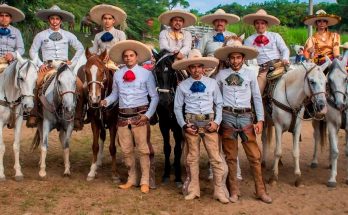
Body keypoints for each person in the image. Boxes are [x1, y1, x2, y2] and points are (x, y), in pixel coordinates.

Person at [214, 37, 272, 204]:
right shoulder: (221, 75)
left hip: (246, 116)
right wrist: (217, 120)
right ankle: (234, 190)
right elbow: (216, 99)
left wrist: (260, 119)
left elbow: (256, 97)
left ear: (243, 58)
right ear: (228, 59)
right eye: (232, 57)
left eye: (238, 57)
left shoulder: (250, 74)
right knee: (231, 156)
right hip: (227, 116)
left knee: (254, 155)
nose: (235, 60)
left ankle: (260, 190)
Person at [100, 40, 159, 194]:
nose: (128, 58)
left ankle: (145, 180)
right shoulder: (118, 74)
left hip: (140, 116)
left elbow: (154, 97)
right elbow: (115, 94)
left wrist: (148, 115)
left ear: (137, 57)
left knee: (143, 149)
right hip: (122, 117)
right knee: (126, 150)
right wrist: (106, 101)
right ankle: (131, 179)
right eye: (125, 56)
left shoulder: (147, 74)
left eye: (131, 55)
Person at [173, 49, 229, 204]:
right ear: (188, 69)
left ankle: (219, 190)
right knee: (192, 158)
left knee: (216, 158)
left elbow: (219, 103)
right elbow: (177, 108)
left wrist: (216, 122)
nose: (196, 70)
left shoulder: (212, 83)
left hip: (209, 124)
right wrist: (184, 125)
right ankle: (193, 189)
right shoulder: (183, 86)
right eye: (192, 67)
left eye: (199, 66)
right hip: (192, 126)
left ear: (204, 68)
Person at [199, 9, 242, 180]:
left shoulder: (233, 36)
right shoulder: (206, 37)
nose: (219, 23)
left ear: (226, 23)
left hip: (231, 69)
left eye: (222, 21)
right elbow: (198, 54)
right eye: (217, 21)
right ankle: (213, 166)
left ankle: (248, 114)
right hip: (211, 71)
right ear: (213, 23)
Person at [27, 5, 85, 130]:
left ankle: (78, 117)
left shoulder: (68, 35)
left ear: (61, 21)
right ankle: (33, 114)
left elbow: (80, 48)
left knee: (80, 86)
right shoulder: (41, 35)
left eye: (57, 19)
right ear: (48, 20)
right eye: (52, 18)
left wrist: (73, 63)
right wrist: (40, 64)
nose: (54, 21)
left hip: (64, 67)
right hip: (47, 66)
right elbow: (32, 51)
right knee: (34, 83)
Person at [243, 9, 290, 95]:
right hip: (264, 69)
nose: (260, 25)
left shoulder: (275, 36)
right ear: (254, 25)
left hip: (279, 64)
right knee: (257, 93)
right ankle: (257, 107)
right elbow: (245, 56)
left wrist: (285, 59)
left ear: (266, 24)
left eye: (262, 23)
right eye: (257, 23)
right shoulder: (249, 40)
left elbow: (284, 49)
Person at [89, 4, 127, 70]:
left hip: (117, 63)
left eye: (110, 19)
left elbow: (123, 49)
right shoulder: (98, 36)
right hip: (101, 63)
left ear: (113, 21)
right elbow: (94, 51)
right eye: (105, 18)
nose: (107, 21)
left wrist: (111, 55)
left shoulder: (120, 34)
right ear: (102, 20)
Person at [0, 4, 25, 73]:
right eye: (1, 16)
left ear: (10, 19)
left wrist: (12, 55)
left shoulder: (16, 31)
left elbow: (21, 49)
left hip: (11, 62)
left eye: (6, 16)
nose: (4, 18)